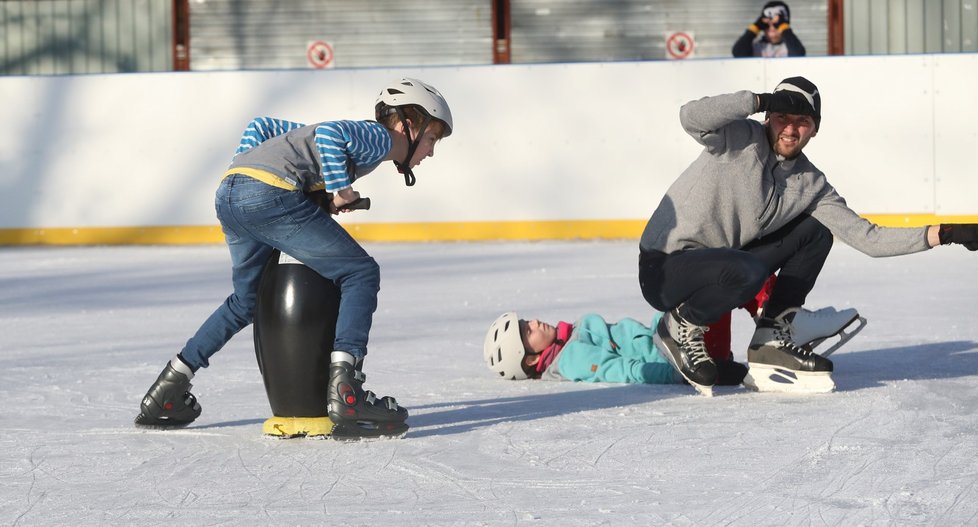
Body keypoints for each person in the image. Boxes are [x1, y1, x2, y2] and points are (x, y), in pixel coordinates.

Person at [135, 77, 454, 436]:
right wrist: (341, 190)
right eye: (431, 139)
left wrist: (245, 169)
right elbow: (330, 135)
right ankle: (347, 391)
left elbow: (262, 126)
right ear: (408, 124)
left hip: (231, 190)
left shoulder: (342, 141)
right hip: (272, 194)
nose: (430, 151)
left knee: (246, 300)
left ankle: (170, 385)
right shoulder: (379, 138)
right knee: (361, 273)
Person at [637, 76, 978, 396]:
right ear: (768, 118)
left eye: (802, 121)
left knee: (816, 232)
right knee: (747, 270)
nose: (790, 128)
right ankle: (680, 325)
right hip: (666, 267)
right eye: (782, 117)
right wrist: (756, 100)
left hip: (725, 269)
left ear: (815, 128)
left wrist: (944, 233)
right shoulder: (736, 139)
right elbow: (690, 117)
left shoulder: (810, 183)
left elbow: (867, 238)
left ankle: (772, 334)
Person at [483, 311, 748, 387]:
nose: (534, 323)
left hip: (672, 338)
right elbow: (624, 370)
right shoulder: (572, 358)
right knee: (713, 282)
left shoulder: (570, 339)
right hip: (678, 353)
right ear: (530, 361)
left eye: (525, 322)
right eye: (527, 331)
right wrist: (681, 373)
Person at [732, 0, 806, 58]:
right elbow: (738, 54)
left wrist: (784, 28)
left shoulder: (790, 47)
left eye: (777, 24)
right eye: (768, 23)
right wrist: (755, 27)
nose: (772, 26)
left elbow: (798, 56)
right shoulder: (756, 47)